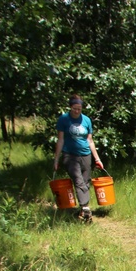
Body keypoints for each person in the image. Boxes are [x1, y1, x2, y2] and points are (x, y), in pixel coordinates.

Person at [53, 95, 103, 223]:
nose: (77, 111)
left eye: (79, 109)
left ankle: (83, 210)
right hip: (70, 155)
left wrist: (97, 159)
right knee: (78, 180)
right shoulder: (63, 120)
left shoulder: (86, 120)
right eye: (75, 108)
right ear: (70, 107)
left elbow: (90, 140)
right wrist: (56, 159)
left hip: (86, 154)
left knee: (86, 181)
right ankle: (85, 207)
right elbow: (60, 140)